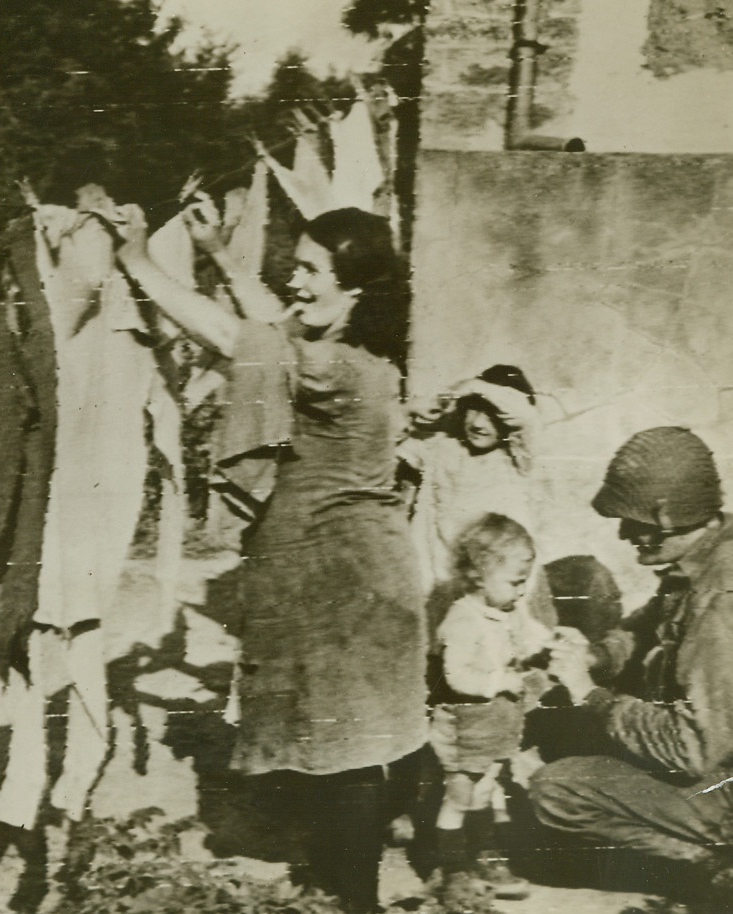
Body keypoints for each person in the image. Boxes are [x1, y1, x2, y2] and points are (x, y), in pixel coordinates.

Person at [111, 199, 427, 914]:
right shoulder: (364, 352)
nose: (297, 280)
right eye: (298, 267)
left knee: (342, 751)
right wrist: (221, 253)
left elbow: (236, 335)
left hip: (343, 581)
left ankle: (357, 903)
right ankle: (335, 883)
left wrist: (136, 259)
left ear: (354, 288)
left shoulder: (332, 369)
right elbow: (278, 325)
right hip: (361, 571)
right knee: (335, 739)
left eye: (313, 270)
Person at [532, 427, 733, 909]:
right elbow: (645, 627)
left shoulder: (720, 600)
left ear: (668, 516)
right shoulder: (705, 560)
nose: (624, 534)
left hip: (722, 782)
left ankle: (715, 871)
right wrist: (598, 656)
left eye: (633, 521)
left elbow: (692, 751)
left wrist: (592, 695)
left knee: (555, 789)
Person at [429, 514, 554, 903]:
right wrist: (499, 681)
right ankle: (451, 870)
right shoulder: (462, 619)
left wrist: (552, 643)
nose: (521, 592)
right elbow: (456, 676)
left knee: (491, 794)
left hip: (495, 730)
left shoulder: (507, 610)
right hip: (465, 731)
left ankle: (487, 858)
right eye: (516, 582)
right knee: (461, 797)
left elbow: (530, 633)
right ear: (479, 575)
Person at [398, 365, 556, 642]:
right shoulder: (441, 445)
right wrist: (417, 409)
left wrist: (470, 386)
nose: (479, 423)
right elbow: (390, 442)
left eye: (492, 415)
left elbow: (525, 415)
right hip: (440, 580)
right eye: (474, 410)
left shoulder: (518, 456)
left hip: (498, 589)